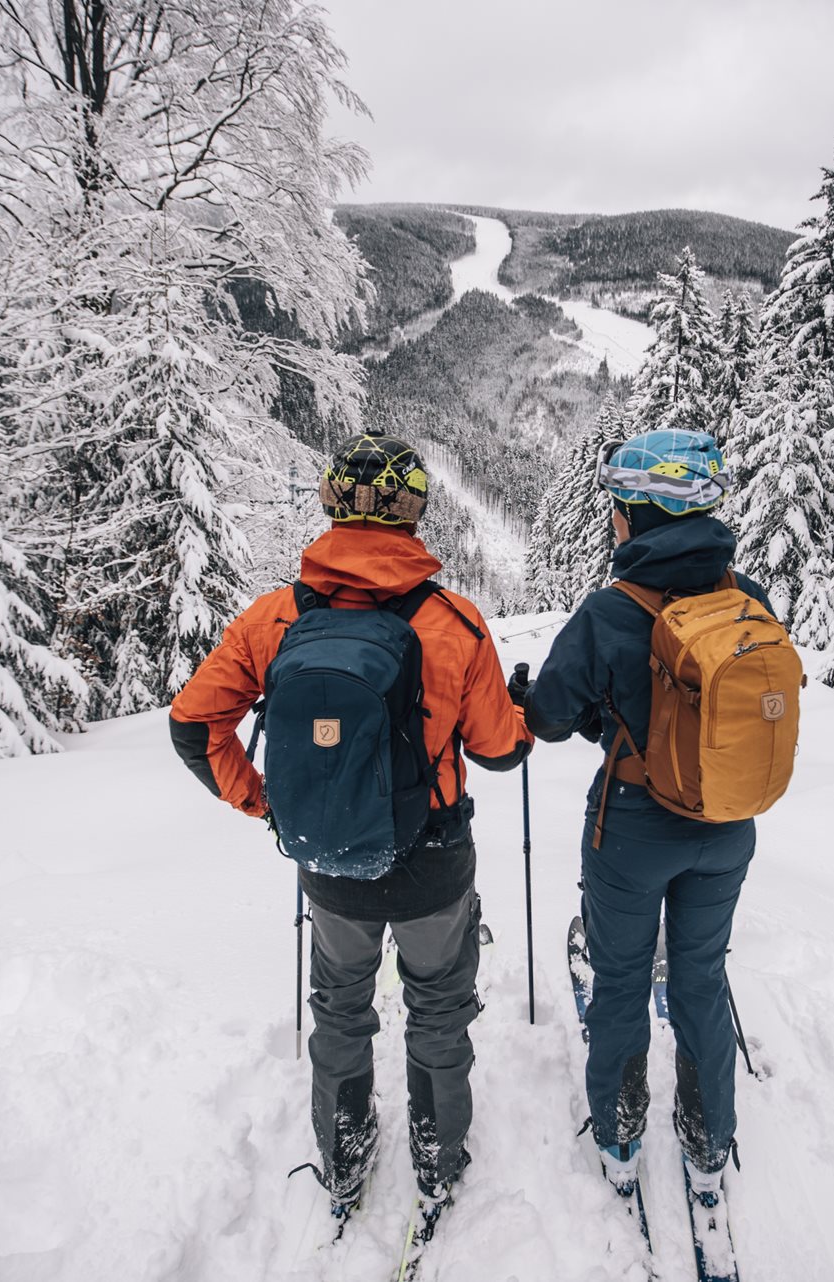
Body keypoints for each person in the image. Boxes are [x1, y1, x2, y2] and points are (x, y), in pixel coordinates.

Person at [168, 434, 531, 1216]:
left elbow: (195, 726)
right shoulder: (455, 623)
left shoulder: (272, 620)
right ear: (414, 512)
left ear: (332, 501)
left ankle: (342, 1148)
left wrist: (267, 801)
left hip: (331, 863)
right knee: (438, 1007)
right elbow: (501, 751)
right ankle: (436, 1151)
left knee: (339, 1006)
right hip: (433, 861)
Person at [511, 428, 762, 1204]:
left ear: (643, 514)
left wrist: (556, 706)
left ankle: (621, 1139)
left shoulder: (611, 611)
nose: (615, 519)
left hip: (633, 826)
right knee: (700, 980)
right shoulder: (746, 598)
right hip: (727, 826)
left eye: (621, 506)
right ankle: (709, 1144)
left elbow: (550, 717)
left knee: (620, 984)